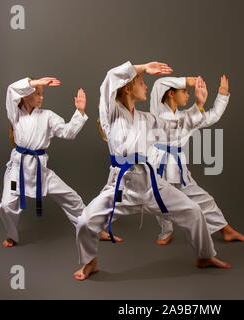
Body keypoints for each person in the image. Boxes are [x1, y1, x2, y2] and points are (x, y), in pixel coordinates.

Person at [74, 61, 231, 281]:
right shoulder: (112, 114)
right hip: (122, 186)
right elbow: (110, 78)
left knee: (194, 211)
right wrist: (142, 68)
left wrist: (198, 105)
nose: (146, 86)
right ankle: (90, 262)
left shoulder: (146, 119)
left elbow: (175, 125)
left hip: (150, 183)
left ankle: (204, 256)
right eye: (141, 83)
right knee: (84, 222)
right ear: (128, 88)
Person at [149, 76, 244, 245]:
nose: (187, 95)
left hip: (177, 166)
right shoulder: (157, 110)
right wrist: (187, 80)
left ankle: (226, 229)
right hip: (157, 162)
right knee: (159, 199)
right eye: (184, 92)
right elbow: (159, 84)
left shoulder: (190, 116)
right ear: (170, 94)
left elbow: (213, 116)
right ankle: (166, 231)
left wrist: (222, 95)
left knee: (203, 198)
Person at [0, 76, 90, 247]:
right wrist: (35, 82)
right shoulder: (15, 113)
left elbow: (68, 132)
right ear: (26, 95)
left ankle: (91, 229)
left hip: (39, 169)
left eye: (43, 94)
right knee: (6, 205)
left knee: (71, 197)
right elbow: (11, 89)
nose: (42, 98)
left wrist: (80, 112)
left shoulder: (47, 116)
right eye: (38, 94)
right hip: (17, 169)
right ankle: (12, 234)